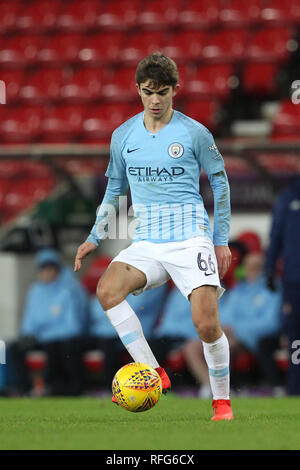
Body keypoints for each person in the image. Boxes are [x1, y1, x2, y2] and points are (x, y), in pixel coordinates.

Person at [74, 52, 233, 420]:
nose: (155, 100)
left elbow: (221, 183)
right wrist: (95, 237)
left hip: (191, 237)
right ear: (138, 90)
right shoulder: (124, 135)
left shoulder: (194, 133)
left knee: (207, 325)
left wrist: (220, 238)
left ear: (176, 90)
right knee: (107, 289)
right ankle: (154, 373)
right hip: (147, 241)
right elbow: (114, 189)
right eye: (148, 92)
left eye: (163, 92)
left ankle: (221, 402)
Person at [10, 248, 88, 396]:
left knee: (55, 346)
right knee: (14, 348)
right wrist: (28, 334)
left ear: (57, 269)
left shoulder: (69, 289)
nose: (46, 272)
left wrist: (45, 331)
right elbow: (29, 319)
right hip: (42, 336)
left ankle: (52, 388)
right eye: (43, 268)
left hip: (60, 337)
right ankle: (25, 390)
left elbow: (73, 325)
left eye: (50, 268)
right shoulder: (35, 290)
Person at [87, 283, 168, 389]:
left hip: (138, 331)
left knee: (109, 345)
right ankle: (112, 387)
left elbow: (133, 307)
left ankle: (137, 387)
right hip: (105, 331)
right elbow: (97, 309)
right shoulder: (116, 281)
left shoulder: (153, 282)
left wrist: (111, 307)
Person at [265, 169, 300, 395]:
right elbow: (275, 236)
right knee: (296, 337)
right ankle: (296, 388)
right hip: (294, 281)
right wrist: (269, 269)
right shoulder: (288, 198)